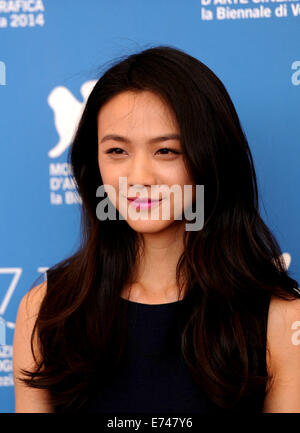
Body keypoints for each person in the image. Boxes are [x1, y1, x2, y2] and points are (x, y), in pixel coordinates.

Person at [13, 45, 300, 413]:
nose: (140, 178)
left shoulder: (280, 318)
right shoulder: (46, 310)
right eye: (117, 151)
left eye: (166, 151)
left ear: (210, 158)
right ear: (93, 163)